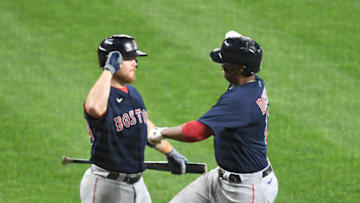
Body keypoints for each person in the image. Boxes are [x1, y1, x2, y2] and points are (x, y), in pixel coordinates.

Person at [148, 31, 278, 203]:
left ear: (240, 69)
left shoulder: (241, 100)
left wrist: (161, 132)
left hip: (246, 191)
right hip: (220, 178)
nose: (222, 65)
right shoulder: (253, 81)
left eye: (226, 62)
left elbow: (196, 132)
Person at [80, 34, 188, 203]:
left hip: (137, 184)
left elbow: (143, 125)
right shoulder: (101, 97)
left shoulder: (133, 93)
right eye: (130, 59)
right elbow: (93, 108)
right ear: (114, 61)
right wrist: (108, 70)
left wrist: (169, 151)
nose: (136, 63)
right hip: (107, 186)